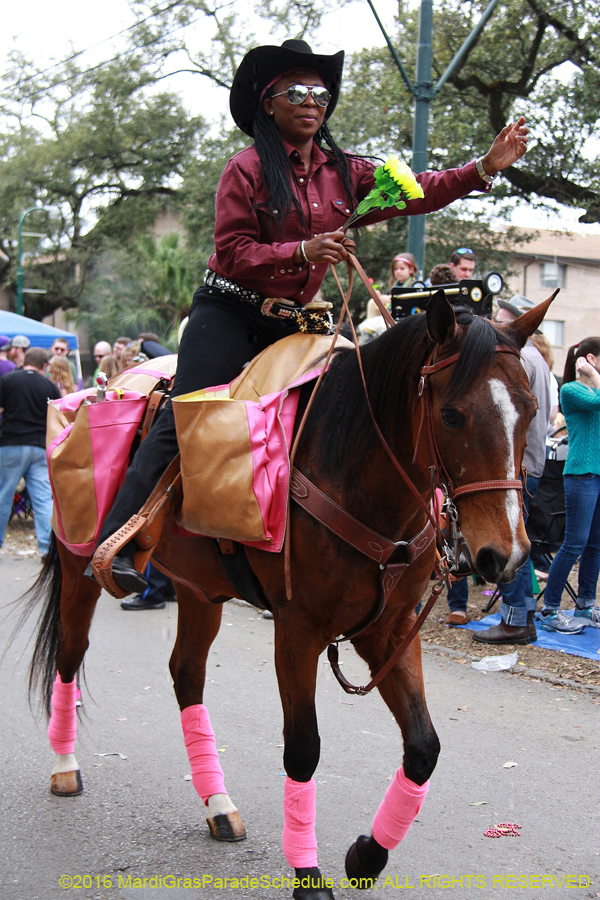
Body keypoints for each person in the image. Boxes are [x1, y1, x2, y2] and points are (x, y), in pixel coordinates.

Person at [87, 38, 530, 596]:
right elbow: (232, 252)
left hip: (299, 320)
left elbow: (418, 192)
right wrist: (300, 252)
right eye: (296, 92)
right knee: (187, 413)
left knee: (362, 405)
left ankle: (382, 543)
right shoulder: (244, 169)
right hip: (230, 310)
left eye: (320, 93)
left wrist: (483, 167)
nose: (311, 101)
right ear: (268, 104)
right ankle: (121, 538)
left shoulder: (345, 172)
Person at [473, 296, 555, 644]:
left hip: (515, 467)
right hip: (529, 463)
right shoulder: (539, 360)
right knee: (518, 539)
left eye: (501, 320)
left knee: (509, 543)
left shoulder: (518, 360)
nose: (495, 324)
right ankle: (523, 617)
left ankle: (515, 621)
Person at [536, 338, 600, 632]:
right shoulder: (571, 390)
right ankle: (549, 610)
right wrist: (593, 374)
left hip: (597, 475)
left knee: (595, 545)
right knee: (574, 543)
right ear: (591, 359)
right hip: (580, 474)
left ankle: (585, 605)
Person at [0, 347, 61, 556]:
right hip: (39, 446)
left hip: (11, 443)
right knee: (43, 499)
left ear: (25, 360)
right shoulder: (50, 386)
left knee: (3, 496)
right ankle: (47, 548)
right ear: (45, 366)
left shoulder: (7, 380)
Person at [366, 252, 418, 320]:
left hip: (407, 319)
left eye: (402, 269)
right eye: (396, 269)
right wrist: (379, 298)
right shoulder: (394, 287)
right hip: (392, 318)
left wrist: (391, 300)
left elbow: (413, 302)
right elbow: (386, 303)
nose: (398, 271)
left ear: (411, 269)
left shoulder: (415, 285)